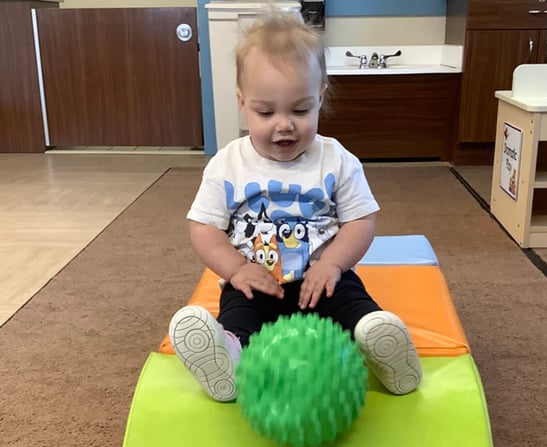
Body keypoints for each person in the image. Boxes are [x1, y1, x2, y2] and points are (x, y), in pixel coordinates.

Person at [169, 10, 422, 402]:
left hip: (322, 280)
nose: (284, 125)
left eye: (300, 110)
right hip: (257, 281)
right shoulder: (227, 163)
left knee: (354, 307)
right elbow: (203, 227)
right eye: (265, 112)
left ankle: (381, 347)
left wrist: (333, 264)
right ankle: (227, 357)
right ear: (242, 103)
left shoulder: (336, 159)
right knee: (239, 317)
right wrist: (237, 270)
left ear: (320, 97)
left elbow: (361, 220)